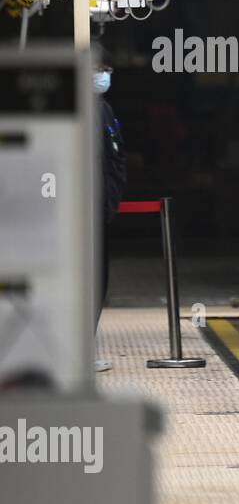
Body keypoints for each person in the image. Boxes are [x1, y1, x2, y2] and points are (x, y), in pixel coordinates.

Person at [95, 64, 127, 372]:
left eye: (106, 69)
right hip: (75, 214)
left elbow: (116, 156)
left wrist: (111, 199)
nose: (103, 75)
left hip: (100, 210)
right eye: (96, 69)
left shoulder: (104, 109)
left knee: (98, 279)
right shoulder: (68, 106)